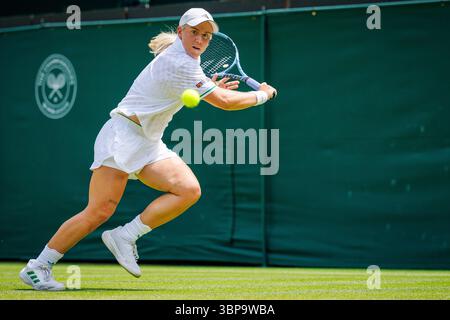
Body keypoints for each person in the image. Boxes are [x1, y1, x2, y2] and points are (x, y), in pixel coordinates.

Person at [19, 8, 277, 291]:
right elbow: (226, 102)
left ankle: (125, 236)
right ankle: (38, 266)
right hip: (123, 136)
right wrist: (262, 94)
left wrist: (211, 86)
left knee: (188, 190)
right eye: (194, 32)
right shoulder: (182, 63)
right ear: (181, 32)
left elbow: (187, 91)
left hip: (149, 141)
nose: (200, 40)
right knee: (99, 211)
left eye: (206, 35)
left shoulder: (190, 62)